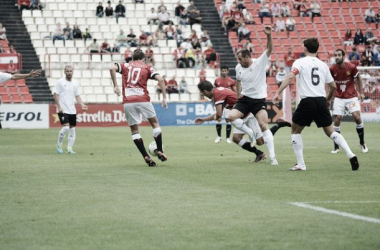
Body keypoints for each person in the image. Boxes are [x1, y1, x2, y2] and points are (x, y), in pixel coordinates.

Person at [273, 38, 359, 171]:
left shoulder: (300, 62)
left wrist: (278, 92)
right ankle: (350, 153)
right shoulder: (323, 65)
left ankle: (301, 164)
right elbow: (333, 86)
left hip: (307, 101)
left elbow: (290, 77)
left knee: (295, 130)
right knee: (330, 130)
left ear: (305, 48)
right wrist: (328, 99)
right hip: (320, 100)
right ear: (317, 49)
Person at [195, 81, 291, 163]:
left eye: (202, 93)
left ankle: (279, 124)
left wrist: (215, 117)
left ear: (205, 91)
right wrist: (204, 119)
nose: (204, 95)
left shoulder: (217, 94)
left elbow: (219, 115)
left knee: (260, 142)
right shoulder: (218, 91)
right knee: (236, 138)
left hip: (248, 114)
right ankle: (259, 154)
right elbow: (219, 113)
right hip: (239, 116)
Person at [109, 51, 168, 167]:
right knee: (155, 124)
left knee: (134, 130)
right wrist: (164, 97)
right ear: (144, 59)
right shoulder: (147, 67)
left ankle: (146, 156)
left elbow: (111, 68)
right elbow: (160, 79)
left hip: (128, 101)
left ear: (132, 58)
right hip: (143, 99)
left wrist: (115, 85)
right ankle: (160, 150)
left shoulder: (125, 65)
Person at [229, 26, 278, 165]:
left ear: (247, 57)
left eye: (240, 59)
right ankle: (250, 133)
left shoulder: (259, 63)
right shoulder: (239, 67)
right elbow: (238, 80)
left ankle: (273, 157)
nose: (238, 61)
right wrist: (238, 94)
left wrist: (268, 35)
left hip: (258, 100)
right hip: (245, 99)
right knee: (231, 116)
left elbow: (269, 50)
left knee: (263, 125)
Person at [329, 49, 368, 154]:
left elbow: (359, 78)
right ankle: (336, 147)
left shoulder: (351, 67)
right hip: (339, 97)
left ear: (343, 56)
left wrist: (361, 92)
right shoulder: (332, 69)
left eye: (338, 55)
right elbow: (328, 81)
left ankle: (362, 142)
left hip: (351, 96)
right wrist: (327, 95)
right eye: (335, 55)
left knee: (356, 117)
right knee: (337, 119)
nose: (336, 57)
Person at [54, 66, 88, 154]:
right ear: (64, 72)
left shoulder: (75, 83)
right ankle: (59, 144)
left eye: (70, 71)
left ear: (73, 72)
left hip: (72, 110)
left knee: (72, 129)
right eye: (67, 71)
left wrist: (82, 104)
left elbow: (77, 96)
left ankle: (69, 148)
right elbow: (56, 95)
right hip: (62, 109)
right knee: (65, 127)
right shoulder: (60, 82)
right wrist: (59, 106)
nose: (69, 72)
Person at [213, 66, 236, 144]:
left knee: (228, 119)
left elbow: (235, 92)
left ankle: (228, 138)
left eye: (225, 71)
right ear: (221, 71)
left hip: (227, 103)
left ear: (227, 71)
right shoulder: (217, 80)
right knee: (218, 118)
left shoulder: (231, 81)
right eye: (222, 71)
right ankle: (219, 136)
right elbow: (215, 91)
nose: (224, 72)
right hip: (220, 102)